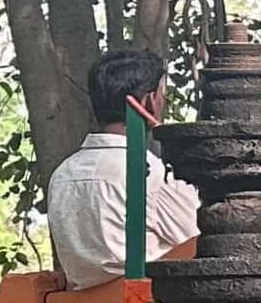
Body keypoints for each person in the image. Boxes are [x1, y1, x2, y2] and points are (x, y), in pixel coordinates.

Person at [43, 46, 200, 286]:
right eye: (161, 93)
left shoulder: (62, 175)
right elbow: (202, 240)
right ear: (150, 101)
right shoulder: (152, 173)